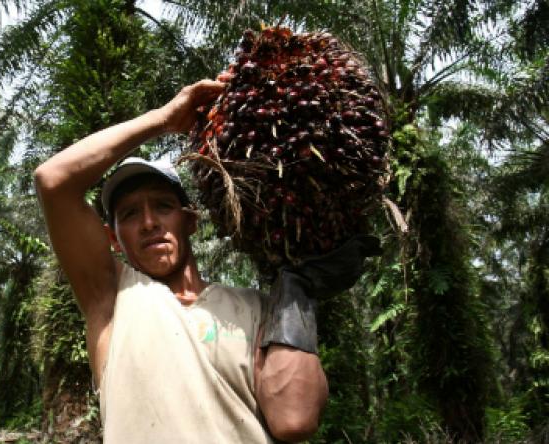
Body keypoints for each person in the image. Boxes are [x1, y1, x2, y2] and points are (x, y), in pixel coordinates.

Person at [34, 80, 353, 443]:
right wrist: (163, 119)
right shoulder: (112, 300)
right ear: (113, 238)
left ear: (190, 221)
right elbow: (53, 180)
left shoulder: (258, 309)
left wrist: (298, 288)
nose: (149, 222)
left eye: (163, 206)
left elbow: (294, 421)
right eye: (130, 214)